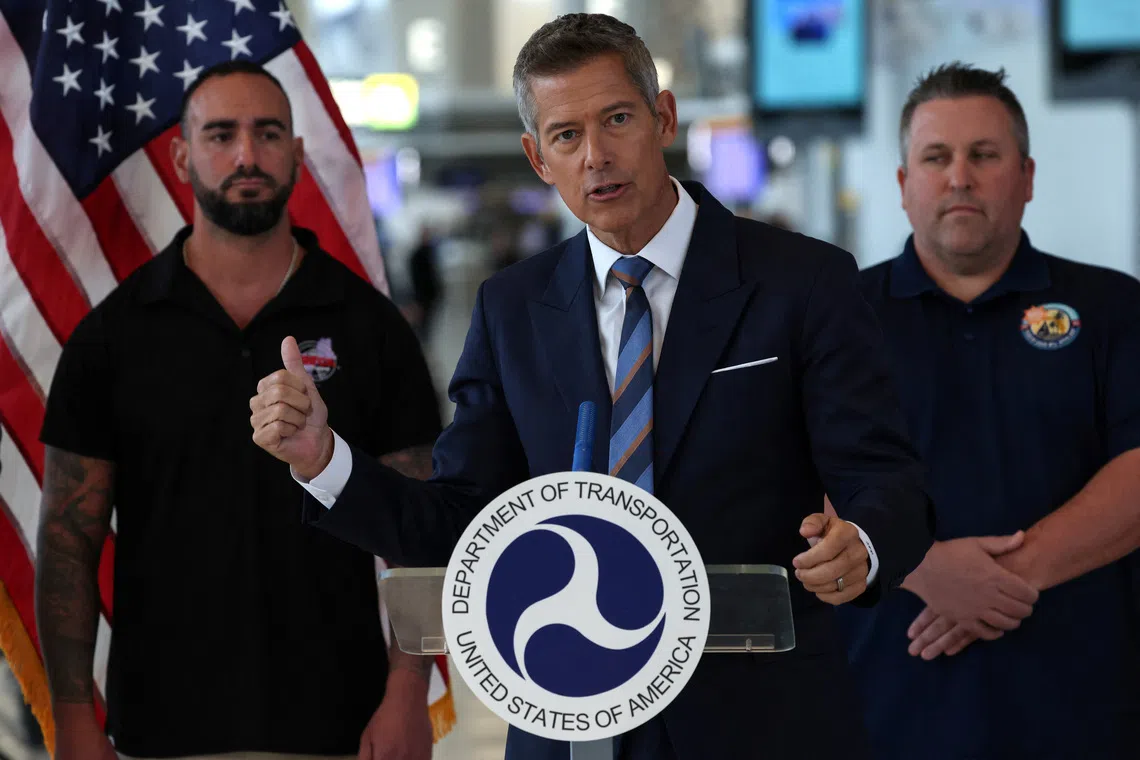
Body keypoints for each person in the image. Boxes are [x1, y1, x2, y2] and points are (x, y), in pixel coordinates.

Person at [251, 14, 935, 760]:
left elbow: (884, 476)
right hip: (567, 721)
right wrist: (324, 461)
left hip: (758, 720)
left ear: (662, 118)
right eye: (566, 136)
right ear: (537, 157)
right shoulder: (512, 308)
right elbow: (461, 519)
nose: (597, 157)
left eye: (616, 119)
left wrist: (861, 545)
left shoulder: (802, 282)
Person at [35, 61, 441, 760]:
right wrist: (72, 711)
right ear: (182, 154)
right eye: (221, 135)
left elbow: (423, 527)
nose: (247, 155)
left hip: (339, 723)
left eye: (268, 133)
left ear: (297, 153)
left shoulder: (371, 327)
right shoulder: (115, 334)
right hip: (159, 727)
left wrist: (408, 691)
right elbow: (70, 539)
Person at [837, 62, 1140, 760]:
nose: (959, 177)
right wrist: (916, 566)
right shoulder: (837, 319)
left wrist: (1008, 576)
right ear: (904, 184)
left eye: (984, 155)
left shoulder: (1114, 309)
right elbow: (790, 473)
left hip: (1079, 711)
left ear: (1027, 177)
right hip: (882, 713)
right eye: (936, 157)